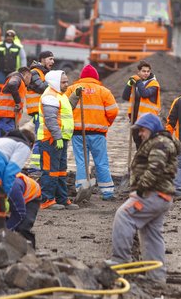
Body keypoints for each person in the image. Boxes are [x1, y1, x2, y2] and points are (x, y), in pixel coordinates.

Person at [109, 113, 181, 283]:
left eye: (142, 130)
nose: (140, 134)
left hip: (153, 193)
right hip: (160, 195)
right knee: (151, 235)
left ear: (151, 128)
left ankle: (119, 264)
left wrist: (141, 190)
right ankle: (156, 278)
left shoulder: (160, 143)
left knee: (124, 215)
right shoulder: (159, 142)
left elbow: (156, 167)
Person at [66, 65, 119, 201]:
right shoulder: (104, 91)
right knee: (101, 162)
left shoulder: (72, 89)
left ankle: (81, 188)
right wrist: (106, 124)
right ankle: (107, 191)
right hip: (98, 133)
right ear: (96, 77)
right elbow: (113, 111)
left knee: (81, 162)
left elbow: (65, 109)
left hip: (78, 133)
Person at [38, 70, 78, 209]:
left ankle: (61, 199)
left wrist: (75, 96)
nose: (67, 84)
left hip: (60, 139)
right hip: (50, 140)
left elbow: (67, 110)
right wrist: (57, 137)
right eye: (63, 82)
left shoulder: (60, 96)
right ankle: (47, 200)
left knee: (61, 170)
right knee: (50, 170)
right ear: (55, 82)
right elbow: (50, 120)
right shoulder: (50, 97)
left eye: (67, 81)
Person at [25, 51, 55, 168]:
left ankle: (41, 166)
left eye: (53, 59)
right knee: (40, 139)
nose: (53, 62)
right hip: (38, 111)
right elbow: (42, 87)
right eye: (50, 59)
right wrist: (54, 82)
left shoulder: (43, 72)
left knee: (44, 138)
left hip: (43, 111)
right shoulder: (34, 72)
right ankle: (35, 168)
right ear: (42, 59)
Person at [122, 61, 160, 148]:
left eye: (148, 71)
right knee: (138, 143)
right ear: (138, 72)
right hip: (135, 119)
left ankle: (146, 161)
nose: (146, 73)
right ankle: (140, 161)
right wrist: (129, 84)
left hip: (148, 120)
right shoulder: (136, 84)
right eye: (143, 71)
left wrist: (138, 81)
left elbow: (145, 94)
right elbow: (125, 96)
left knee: (147, 145)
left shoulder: (154, 84)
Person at [7, 171, 43, 247]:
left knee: (22, 227)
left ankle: (29, 253)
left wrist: (6, 230)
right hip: (14, 195)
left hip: (32, 197)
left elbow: (20, 214)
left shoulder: (13, 187)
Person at [0, 67, 31, 138]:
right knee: (4, 143)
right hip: (5, 119)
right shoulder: (17, 78)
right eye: (30, 78)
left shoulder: (19, 82)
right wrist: (18, 102)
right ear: (27, 75)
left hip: (7, 119)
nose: (30, 81)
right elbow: (12, 84)